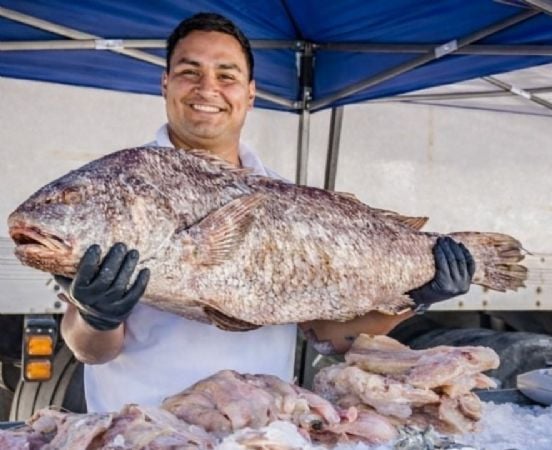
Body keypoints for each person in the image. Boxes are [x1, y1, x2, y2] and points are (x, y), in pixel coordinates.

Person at [57, 12, 475, 413]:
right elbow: (88, 349)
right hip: (143, 429)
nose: (207, 88)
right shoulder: (123, 187)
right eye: (189, 72)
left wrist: (416, 297)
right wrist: (96, 315)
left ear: (250, 92)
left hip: (258, 432)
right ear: (165, 83)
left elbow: (329, 336)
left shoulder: (290, 200)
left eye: (227, 75)